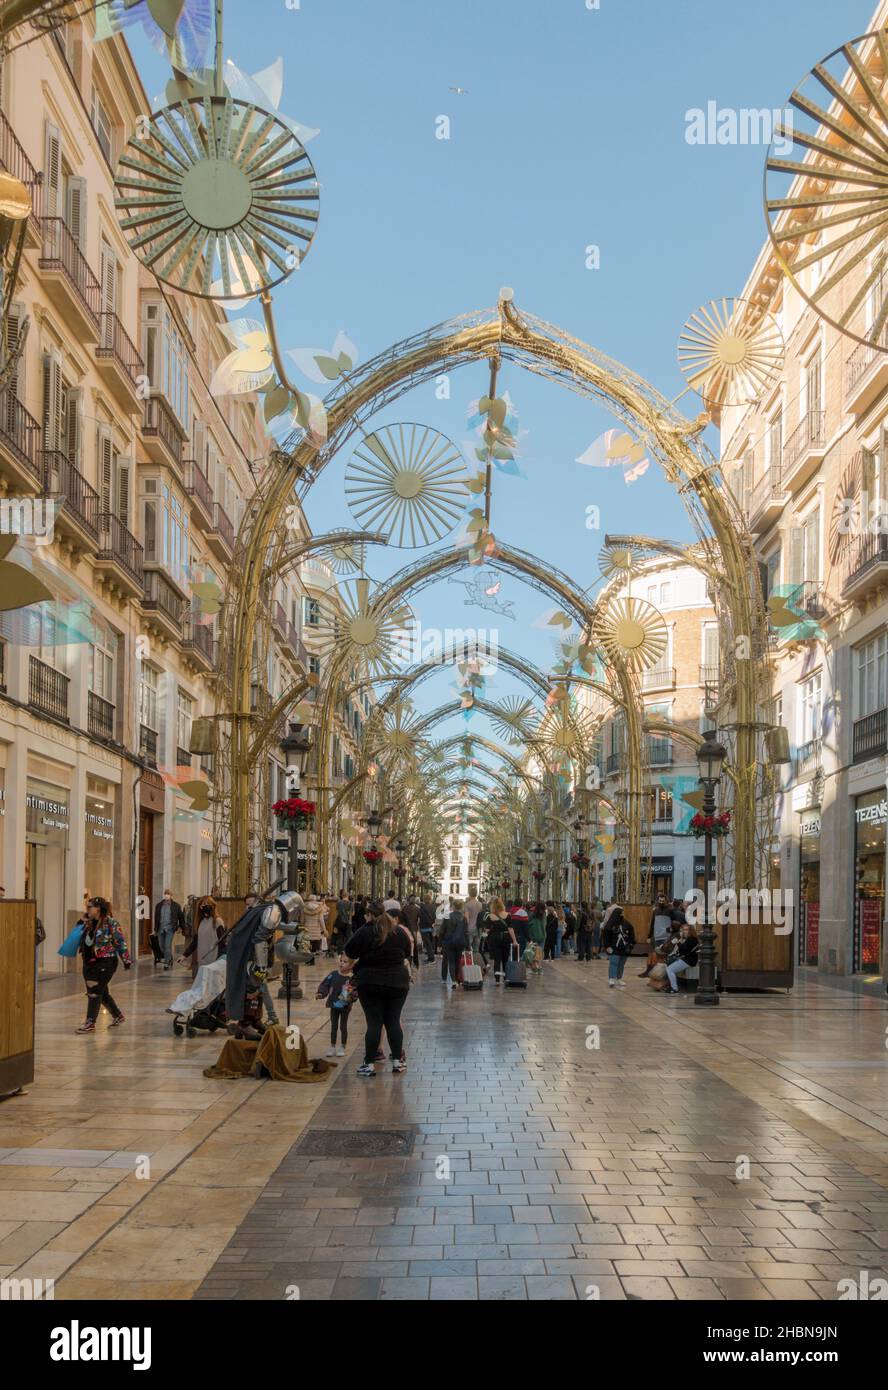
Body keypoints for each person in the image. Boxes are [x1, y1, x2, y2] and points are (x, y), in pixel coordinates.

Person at [344, 903, 412, 1076]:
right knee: (393, 1021)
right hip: (398, 981)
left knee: (374, 1023)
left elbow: (350, 951)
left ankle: (369, 1064)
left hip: (370, 981)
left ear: (369, 915)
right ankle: (397, 1062)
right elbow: (406, 953)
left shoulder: (365, 931)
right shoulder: (399, 931)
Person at [75, 897, 131, 1034]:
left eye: (90, 907)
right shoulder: (87, 923)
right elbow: (77, 937)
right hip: (88, 962)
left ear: (98, 908)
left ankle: (90, 1023)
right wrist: (81, 923)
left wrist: (126, 960)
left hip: (105, 962)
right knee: (102, 992)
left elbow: (120, 942)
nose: (87, 909)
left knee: (94, 992)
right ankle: (118, 1015)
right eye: (87, 907)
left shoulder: (111, 923)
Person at [316, 953, 357, 1057]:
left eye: (345, 962)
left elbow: (355, 993)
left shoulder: (352, 979)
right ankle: (332, 1046)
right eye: (341, 961)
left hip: (345, 1007)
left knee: (343, 1026)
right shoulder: (333, 974)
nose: (342, 963)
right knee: (333, 1026)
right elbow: (325, 984)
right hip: (333, 1005)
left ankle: (343, 1047)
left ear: (351, 965)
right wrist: (321, 993)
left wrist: (351, 996)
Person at [180, 896, 226, 972]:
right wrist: (184, 955)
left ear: (213, 906)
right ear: (200, 907)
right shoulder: (201, 922)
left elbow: (222, 942)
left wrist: (221, 959)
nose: (205, 907)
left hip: (214, 960)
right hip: (202, 959)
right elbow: (195, 942)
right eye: (203, 905)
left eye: (208, 904)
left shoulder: (217, 921)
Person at [640, 894, 674, 978]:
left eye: (663, 900)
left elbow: (673, 923)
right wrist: (649, 936)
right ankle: (652, 972)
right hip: (657, 936)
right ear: (658, 901)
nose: (661, 902)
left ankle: (663, 975)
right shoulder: (655, 910)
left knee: (664, 955)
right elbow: (652, 924)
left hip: (666, 936)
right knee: (654, 954)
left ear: (666, 901)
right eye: (660, 900)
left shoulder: (670, 911)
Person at [485, 897, 517, 983]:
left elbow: (487, 930)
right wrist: (514, 940)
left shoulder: (490, 916)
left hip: (495, 939)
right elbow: (510, 929)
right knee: (505, 959)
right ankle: (506, 977)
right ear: (502, 905)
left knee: (497, 959)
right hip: (506, 938)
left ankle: (497, 978)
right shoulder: (507, 915)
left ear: (493, 906)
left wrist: (491, 929)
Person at [602, 903, 634, 988]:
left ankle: (619, 978)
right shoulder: (610, 925)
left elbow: (631, 934)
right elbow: (606, 936)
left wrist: (631, 944)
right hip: (613, 947)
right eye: (620, 914)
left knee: (621, 963)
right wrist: (607, 946)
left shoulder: (627, 924)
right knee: (614, 962)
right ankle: (611, 978)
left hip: (624, 948)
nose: (621, 916)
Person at [154, 887, 186, 971]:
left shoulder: (176, 906)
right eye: (165, 893)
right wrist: (155, 929)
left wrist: (180, 927)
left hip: (170, 929)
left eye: (168, 893)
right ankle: (170, 957)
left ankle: (167, 962)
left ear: (171, 895)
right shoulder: (159, 905)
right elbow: (156, 918)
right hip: (160, 928)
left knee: (167, 945)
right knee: (161, 946)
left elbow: (181, 917)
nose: (166, 895)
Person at [440, 898, 469, 989]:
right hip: (460, 942)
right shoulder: (463, 918)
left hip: (448, 941)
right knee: (457, 961)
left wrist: (440, 943)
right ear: (461, 907)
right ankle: (456, 979)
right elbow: (466, 932)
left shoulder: (447, 917)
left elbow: (442, 931)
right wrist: (468, 945)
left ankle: (453, 981)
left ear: (453, 906)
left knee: (451, 961)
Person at [664, 924, 699, 994]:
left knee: (669, 969)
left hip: (689, 960)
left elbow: (685, 950)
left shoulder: (692, 939)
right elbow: (681, 951)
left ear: (690, 931)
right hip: (685, 959)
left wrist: (679, 943)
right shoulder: (686, 939)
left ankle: (674, 988)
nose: (684, 931)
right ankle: (670, 985)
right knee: (668, 965)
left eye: (686, 930)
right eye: (683, 930)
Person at [418, 893, 437, 962]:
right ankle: (431, 956)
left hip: (424, 927)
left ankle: (431, 958)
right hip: (432, 927)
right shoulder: (434, 907)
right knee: (431, 943)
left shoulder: (422, 907)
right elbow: (435, 916)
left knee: (427, 943)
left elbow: (421, 918)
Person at [527, 903, 546, 971]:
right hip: (541, 936)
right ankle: (537, 966)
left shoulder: (532, 915)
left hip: (535, 937)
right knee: (539, 952)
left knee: (535, 952)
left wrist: (530, 936)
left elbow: (528, 925)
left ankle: (535, 966)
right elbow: (544, 926)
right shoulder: (543, 915)